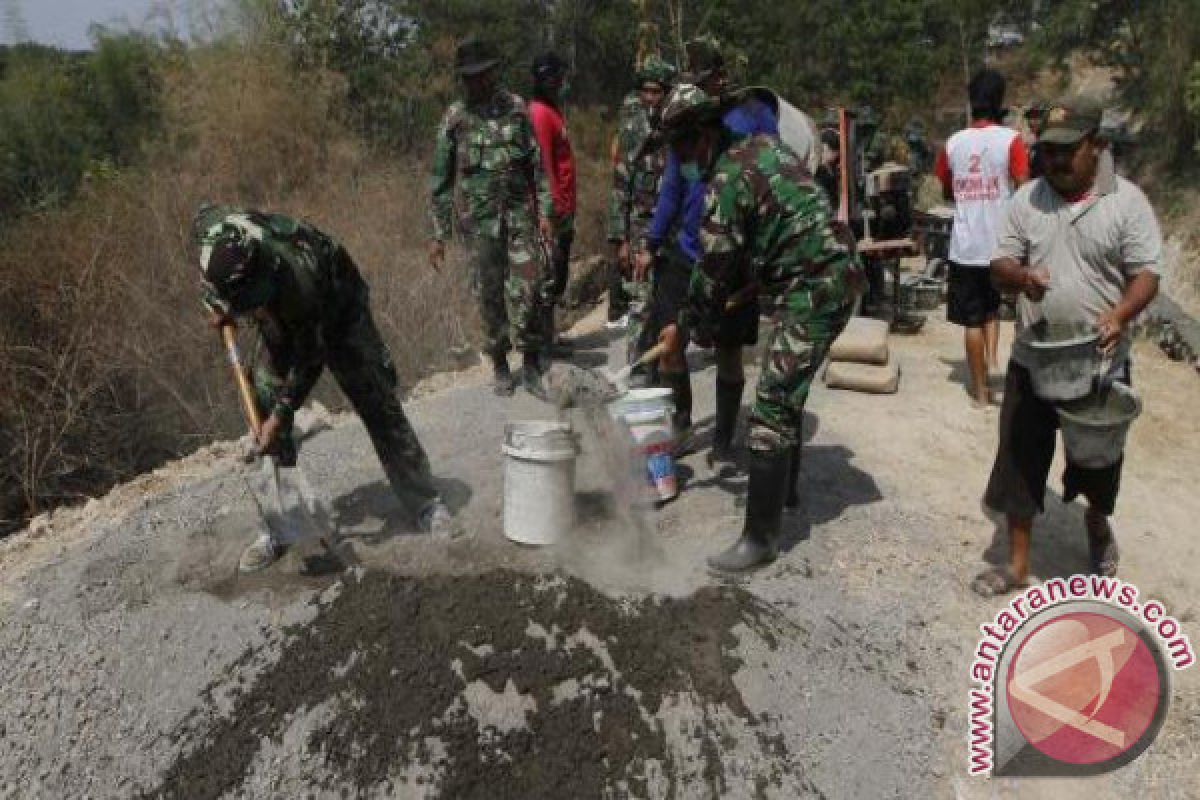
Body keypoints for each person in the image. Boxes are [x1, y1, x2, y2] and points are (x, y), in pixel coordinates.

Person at [659, 85, 863, 573]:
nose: (681, 159)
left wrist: (687, 329)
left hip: (815, 286)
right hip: (829, 272)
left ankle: (760, 540)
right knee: (785, 388)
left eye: (683, 148)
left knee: (770, 404)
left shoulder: (725, 182)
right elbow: (773, 230)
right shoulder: (765, 148)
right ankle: (786, 492)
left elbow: (712, 270)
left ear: (703, 136)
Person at [192, 206, 456, 572]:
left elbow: (310, 358)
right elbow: (204, 236)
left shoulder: (297, 274)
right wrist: (220, 309)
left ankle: (424, 503)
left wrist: (283, 415)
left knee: (375, 398)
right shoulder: (213, 239)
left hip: (338, 307)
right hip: (278, 316)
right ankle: (281, 526)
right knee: (264, 406)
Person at [975, 96, 1161, 597]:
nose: (1054, 160)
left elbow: (1147, 273)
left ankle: (1097, 525)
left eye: (1067, 150)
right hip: (1035, 360)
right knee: (1019, 458)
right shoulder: (1027, 200)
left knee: (1097, 462)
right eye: (1048, 151)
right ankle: (1016, 565)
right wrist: (1019, 275)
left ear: (1096, 146)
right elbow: (1000, 265)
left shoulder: (1126, 201)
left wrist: (1120, 314)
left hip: (1099, 360)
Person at [635, 35, 778, 456]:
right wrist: (651, 241)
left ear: (720, 75)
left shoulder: (753, 118)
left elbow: (771, 179)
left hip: (734, 257)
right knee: (670, 339)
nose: (698, 84)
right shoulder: (685, 122)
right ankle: (680, 423)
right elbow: (672, 190)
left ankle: (723, 435)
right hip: (688, 251)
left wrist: (760, 261)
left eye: (705, 77)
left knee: (728, 348)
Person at [429, 37, 555, 396]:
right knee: (489, 296)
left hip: (519, 217)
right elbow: (440, 180)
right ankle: (500, 362)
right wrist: (439, 234)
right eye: (469, 77)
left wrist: (545, 210)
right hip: (478, 225)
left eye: (483, 75)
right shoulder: (456, 118)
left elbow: (537, 165)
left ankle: (530, 364)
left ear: (494, 72)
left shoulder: (516, 108)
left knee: (529, 288)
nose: (477, 83)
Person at [934, 69, 1029, 407]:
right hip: (1001, 247)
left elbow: (947, 189)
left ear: (972, 102)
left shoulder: (953, 143)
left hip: (966, 247)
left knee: (972, 319)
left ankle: (980, 390)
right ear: (1000, 101)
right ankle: (991, 363)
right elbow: (1024, 189)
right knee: (993, 310)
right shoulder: (1012, 140)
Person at [605, 54, 676, 353]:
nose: (650, 98)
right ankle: (638, 363)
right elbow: (620, 186)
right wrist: (619, 239)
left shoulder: (678, 127)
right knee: (641, 300)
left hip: (673, 227)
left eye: (656, 91)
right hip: (641, 228)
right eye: (645, 90)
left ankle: (667, 360)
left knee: (671, 299)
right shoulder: (632, 130)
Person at [529, 51, 577, 358]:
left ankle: (549, 335)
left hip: (565, 208)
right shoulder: (539, 113)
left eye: (558, 77)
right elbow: (542, 164)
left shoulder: (553, 110)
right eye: (551, 78)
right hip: (553, 210)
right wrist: (549, 210)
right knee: (549, 275)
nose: (557, 83)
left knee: (558, 273)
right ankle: (542, 342)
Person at [1024, 101, 1046, 179]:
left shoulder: (1049, 143)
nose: (1032, 122)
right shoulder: (1033, 144)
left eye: (1036, 117)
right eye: (1030, 118)